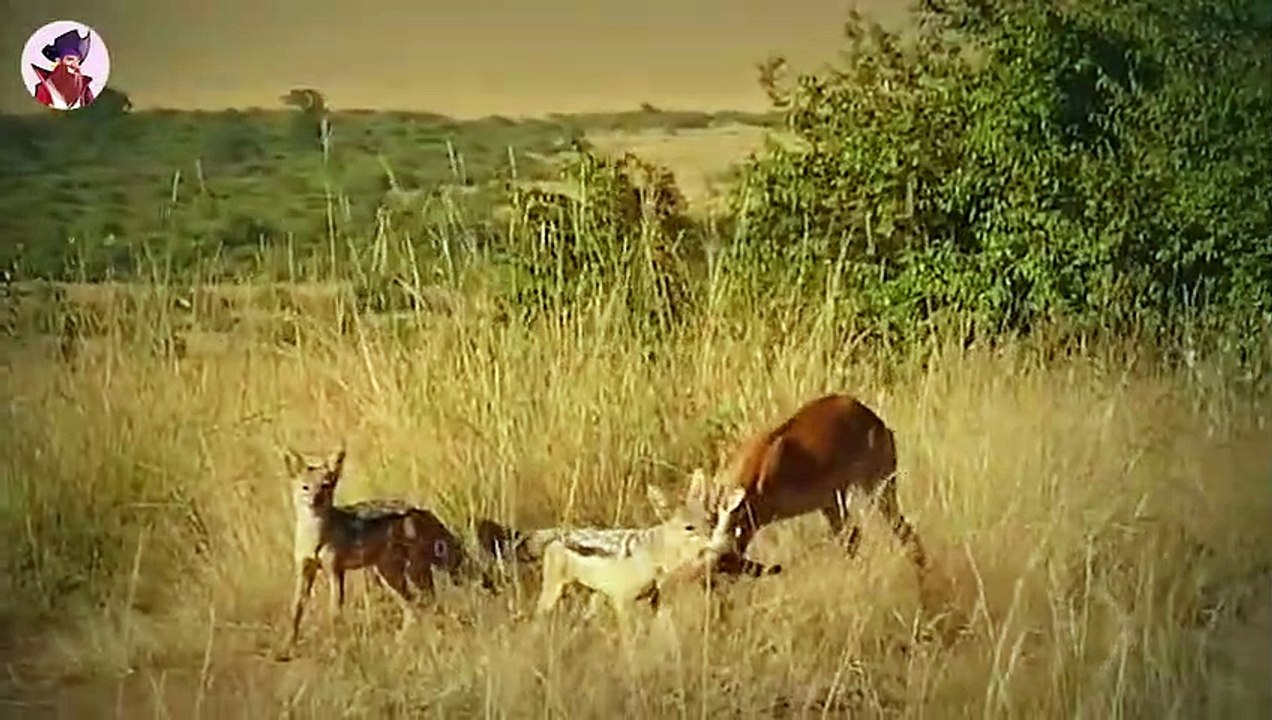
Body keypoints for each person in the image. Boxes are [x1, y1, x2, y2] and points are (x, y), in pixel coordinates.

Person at [31, 28, 97, 110]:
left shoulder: (85, 90)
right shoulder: (44, 89)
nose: (75, 66)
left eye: (78, 62)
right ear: (58, 60)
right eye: (70, 59)